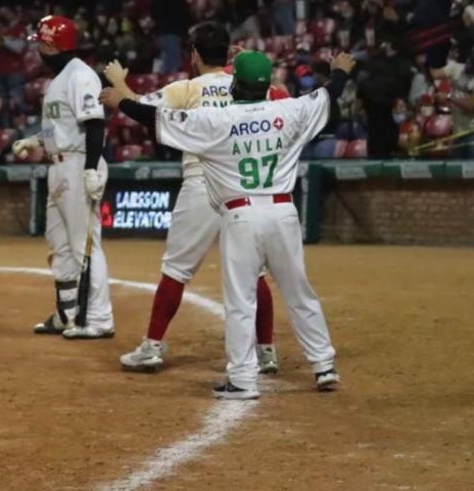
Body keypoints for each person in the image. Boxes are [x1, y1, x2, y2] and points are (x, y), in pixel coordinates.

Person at [101, 50, 352, 399]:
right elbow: (330, 94)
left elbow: (155, 118)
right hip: (283, 211)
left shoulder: (217, 119)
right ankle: (324, 365)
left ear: (236, 83)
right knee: (299, 292)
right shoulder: (290, 109)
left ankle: (243, 379)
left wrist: (121, 100)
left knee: (240, 299)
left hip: (241, 213)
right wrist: (340, 71)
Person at [104, 23, 278, 374]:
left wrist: (117, 81)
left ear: (195, 54)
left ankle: (152, 346)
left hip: (201, 184)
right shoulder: (244, 85)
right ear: (229, 54)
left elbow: (141, 108)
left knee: (176, 270)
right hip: (242, 187)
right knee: (254, 274)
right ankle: (266, 351)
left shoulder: (185, 88)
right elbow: (278, 95)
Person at [14, 16, 115, 339]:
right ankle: (67, 313)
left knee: (83, 246)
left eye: (41, 43)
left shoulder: (80, 75)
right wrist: (36, 140)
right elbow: (55, 127)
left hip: (77, 163)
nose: (38, 49)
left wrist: (90, 168)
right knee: (59, 246)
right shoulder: (57, 79)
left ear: (52, 44)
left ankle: (98, 319)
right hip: (57, 166)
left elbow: (95, 124)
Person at [431, 44, 474, 159]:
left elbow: (471, 106)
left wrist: (449, 97)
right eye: (471, 62)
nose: (471, 66)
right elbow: (434, 74)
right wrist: (423, 66)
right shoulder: (456, 69)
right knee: (457, 170)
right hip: (458, 131)